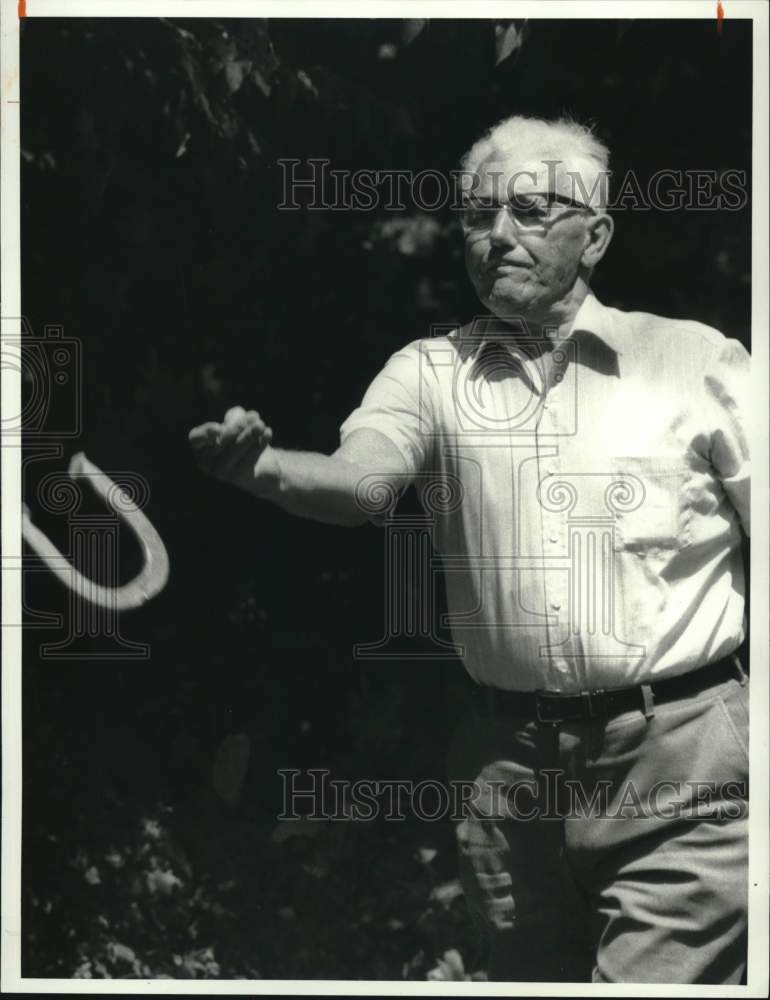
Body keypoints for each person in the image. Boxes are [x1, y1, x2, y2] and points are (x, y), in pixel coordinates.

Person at [188, 115, 750, 984]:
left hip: (683, 763)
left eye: (529, 212)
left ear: (595, 235)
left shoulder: (696, 362)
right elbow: (361, 482)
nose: (496, 238)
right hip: (508, 777)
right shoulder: (427, 372)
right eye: (478, 218)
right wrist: (262, 467)